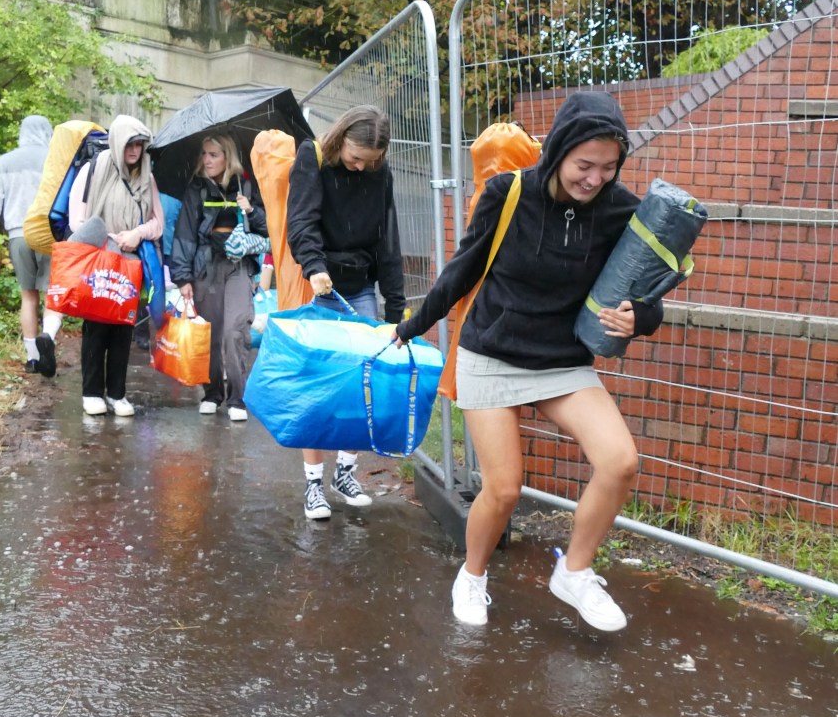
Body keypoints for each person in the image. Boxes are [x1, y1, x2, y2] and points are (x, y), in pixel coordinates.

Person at [395, 92, 665, 631]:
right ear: (560, 150)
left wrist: (641, 318)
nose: (595, 179)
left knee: (620, 461)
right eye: (584, 165)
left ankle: (575, 573)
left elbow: (647, 291)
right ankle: (472, 576)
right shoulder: (508, 193)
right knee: (504, 488)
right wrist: (411, 327)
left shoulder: (620, 211)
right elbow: (462, 270)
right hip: (492, 353)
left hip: (561, 360)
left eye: (608, 168)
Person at [287, 105, 406, 521]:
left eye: (369, 163)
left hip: (360, 289)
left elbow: (387, 239)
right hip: (320, 284)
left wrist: (396, 307)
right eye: (355, 158)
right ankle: (313, 485)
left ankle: (346, 472)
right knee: (318, 387)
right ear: (339, 142)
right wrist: (314, 266)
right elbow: (300, 220)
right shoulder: (313, 157)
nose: (359, 168)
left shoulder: (379, 173)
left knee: (361, 386)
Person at [68, 114, 164, 417]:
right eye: (129, 144)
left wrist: (137, 233)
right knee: (96, 327)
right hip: (98, 260)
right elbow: (76, 219)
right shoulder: (93, 170)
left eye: (139, 144)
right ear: (117, 142)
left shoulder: (147, 176)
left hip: (129, 264)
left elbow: (157, 223)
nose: (134, 151)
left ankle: (117, 393)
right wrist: (107, 238)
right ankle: (92, 392)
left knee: (123, 329)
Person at [169, 132, 268, 421]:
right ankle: (212, 393)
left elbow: (267, 227)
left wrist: (250, 210)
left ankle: (237, 398)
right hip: (206, 267)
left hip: (239, 266)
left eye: (214, 154)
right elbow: (185, 234)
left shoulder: (247, 185)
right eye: (204, 154)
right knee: (210, 334)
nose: (207, 160)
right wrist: (183, 278)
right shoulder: (196, 190)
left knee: (234, 330)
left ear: (228, 157)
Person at [0, 114, 63, 377]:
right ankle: (47, 335)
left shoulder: (4, 162)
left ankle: (33, 358)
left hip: (18, 233)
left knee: (28, 294)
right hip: (48, 234)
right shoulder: (55, 160)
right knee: (52, 293)